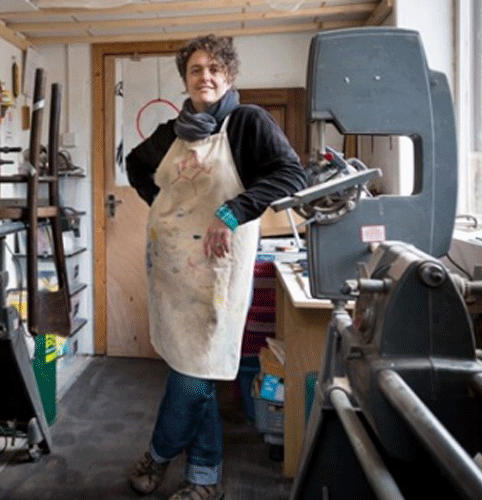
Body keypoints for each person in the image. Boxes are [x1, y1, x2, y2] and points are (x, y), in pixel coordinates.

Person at [125, 34, 308, 500]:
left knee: (196, 371)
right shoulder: (172, 131)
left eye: (214, 69)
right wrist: (165, 208)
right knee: (191, 369)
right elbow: (135, 164)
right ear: (186, 79)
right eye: (195, 70)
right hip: (172, 269)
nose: (204, 76)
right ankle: (203, 478)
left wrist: (230, 213)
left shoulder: (248, 122)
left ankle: (161, 456)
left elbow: (291, 174)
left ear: (228, 76)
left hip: (216, 272)